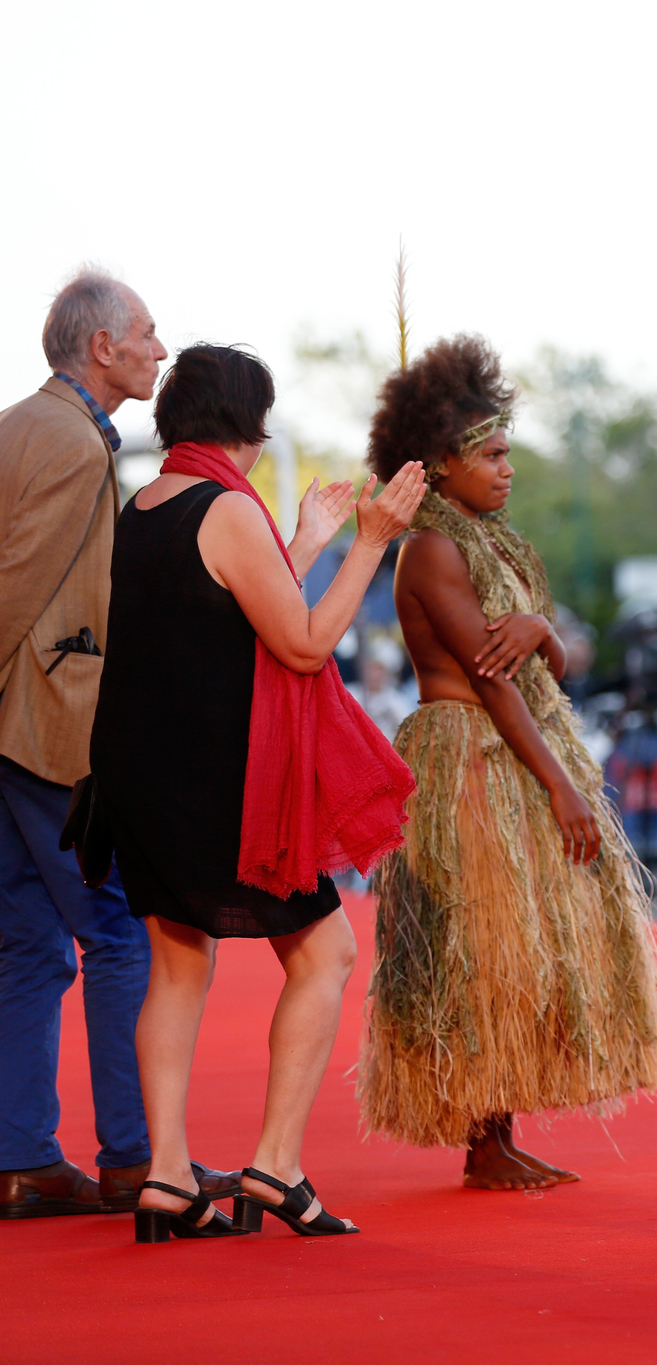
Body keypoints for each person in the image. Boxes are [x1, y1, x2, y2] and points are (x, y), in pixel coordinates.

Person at [96, 344, 426, 1240]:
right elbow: (307, 644)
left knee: (177, 964)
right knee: (324, 956)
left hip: (141, 777)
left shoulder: (146, 504)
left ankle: (166, 1176)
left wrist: (307, 543)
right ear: (251, 423)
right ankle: (276, 1165)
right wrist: (372, 541)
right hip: (222, 785)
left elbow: (224, 609)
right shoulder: (226, 508)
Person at [357, 335, 657, 1191]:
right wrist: (565, 790)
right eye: (491, 455)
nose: (506, 470)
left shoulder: (499, 543)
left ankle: (497, 1131)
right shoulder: (431, 550)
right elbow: (497, 684)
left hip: (518, 750)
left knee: (520, 943)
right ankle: (482, 1137)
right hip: (471, 757)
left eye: (506, 453)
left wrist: (541, 629)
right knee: (479, 938)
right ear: (441, 463)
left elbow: (552, 658)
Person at [0, 270, 240, 1219]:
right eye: (145, 332)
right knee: (114, 937)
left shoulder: (23, 424)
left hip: (16, 726)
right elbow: (19, 587)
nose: (158, 345)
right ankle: (139, 1159)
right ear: (102, 347)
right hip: (45, 729)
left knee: (25, 944)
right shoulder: (68, 442)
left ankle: (22, 1158)